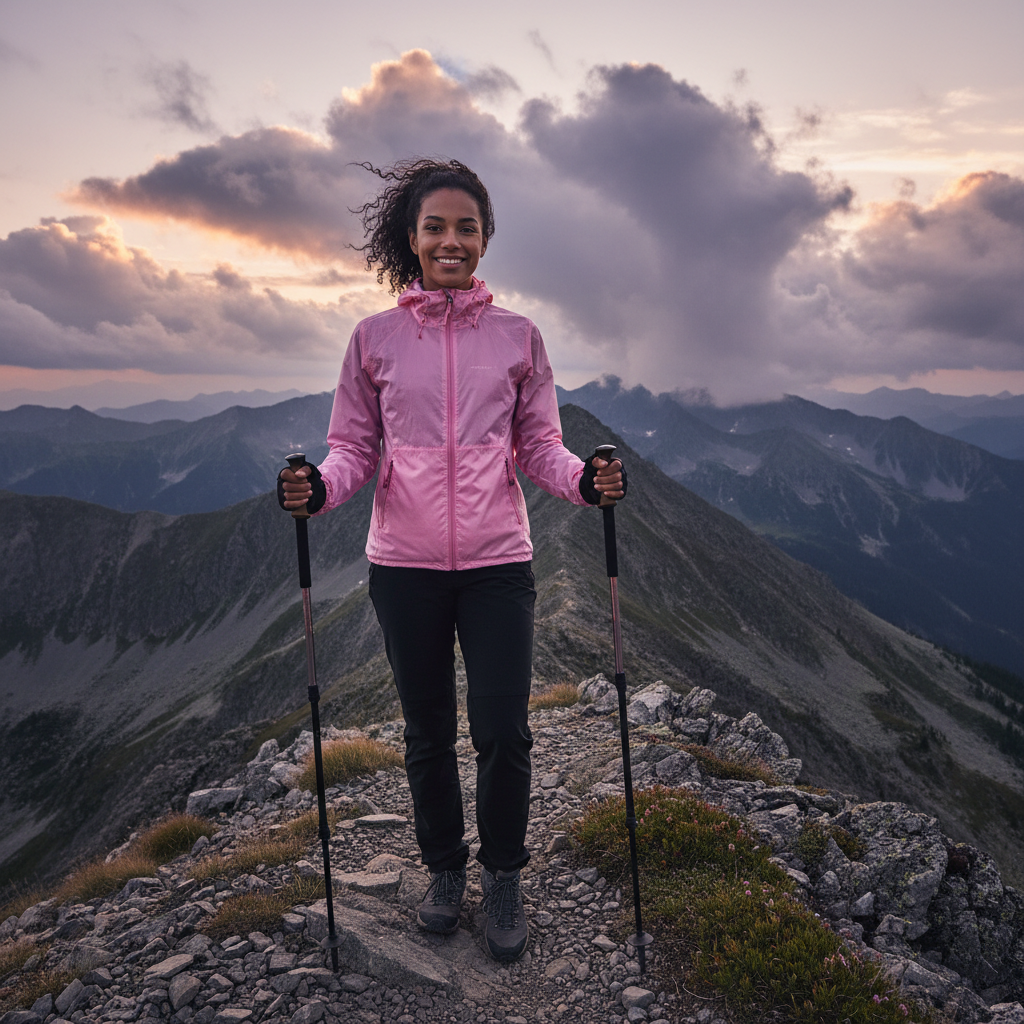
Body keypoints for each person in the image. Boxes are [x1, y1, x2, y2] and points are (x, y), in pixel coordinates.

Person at [278, 158, 624, 963]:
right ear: (412, 237)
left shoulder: (518, 337)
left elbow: (538, 444)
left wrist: (585, 481)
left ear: (485, 239)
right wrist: (317, 490)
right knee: (427, 731)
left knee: (504, 730)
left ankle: (502, 876)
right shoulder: (373, 339)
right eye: (435, 227)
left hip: (498, 561)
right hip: (404, 567)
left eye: (466, 228)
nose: (450, 241)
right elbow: (353, 448)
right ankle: (444, 869)